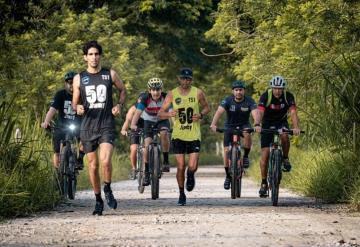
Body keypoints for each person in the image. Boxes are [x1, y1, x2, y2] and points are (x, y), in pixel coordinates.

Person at [72, 40, 126, 215]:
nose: (94, 57)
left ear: (100, 56)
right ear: (85, 57)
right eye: (90, 54)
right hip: (88, 127)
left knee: (105, 161)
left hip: (106, 124)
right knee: (93, 166)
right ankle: (98, 200)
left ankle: (108, 188)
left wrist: (119, 105)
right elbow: (75, 102)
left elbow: (122, 90)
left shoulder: (109, 74)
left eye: (96, 54)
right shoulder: (79, 78)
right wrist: (77, 107)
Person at [158, 68, 210, 206]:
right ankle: (181, 193)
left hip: (193, 134)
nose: (185, 81)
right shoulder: (172, 94)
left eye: (188, 79)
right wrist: (169, 114)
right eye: (183, 78)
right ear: (179, 79)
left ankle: (191, 175)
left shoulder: (198, 92)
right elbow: (160, 113)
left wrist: (201, 115)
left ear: (191, 80)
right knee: (181, 166)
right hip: (178, 134)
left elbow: (206, 107)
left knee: (192, 166)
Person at [254, 75, 301, 198]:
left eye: (280, 88)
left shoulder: (288, 96)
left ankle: (285, 158)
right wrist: (257, 124)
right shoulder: (266, 96)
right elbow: (260, 111)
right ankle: (264, 183)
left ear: (283, 88)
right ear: (272, 88)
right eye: (275, 88)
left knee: (285, 135)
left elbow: (293, 112)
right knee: (265, 155)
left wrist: (296, 127)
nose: (278, 91)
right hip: (267, 123)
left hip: (281, 122)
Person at [210, 80, 258, 190]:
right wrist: (213, 124)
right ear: (233, 91)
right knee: (226, 151)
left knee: (247, 134)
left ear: (244, 91)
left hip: (244, 125)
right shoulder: (227, 100)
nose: (238, 92)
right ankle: (227, 176)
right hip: (229, 126)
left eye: (240, 90)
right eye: (236, 90)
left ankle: (245, 156)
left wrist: (257, 124)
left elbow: (255, 113)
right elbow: (219, 112)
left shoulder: (249, 101)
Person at [130, 78, 171, 186]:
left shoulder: (166, 97)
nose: (156, 92)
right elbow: (138, 112)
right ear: (149, 90)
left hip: (162, 120)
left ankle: (166, 160)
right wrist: (133, 124)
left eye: (158, 89)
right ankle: (147, 172)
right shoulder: (145, 98)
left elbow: (172, 112)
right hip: (148, 121)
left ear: (161, 89)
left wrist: (176, 125)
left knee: (164, 134)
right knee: (147, 145)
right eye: (153, 90)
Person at [41, 71, 84, 169]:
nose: (71, 85)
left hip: (78, 125)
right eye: (69, 82)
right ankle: (58, 173)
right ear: (66, 83)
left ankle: (80, 159)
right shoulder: (60, 94)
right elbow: (52, 109)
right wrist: (46, 121)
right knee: (56, 151)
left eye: (74, 82)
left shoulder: (82, 95)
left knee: (86, 138)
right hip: (61, 126)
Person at [120, 103, 145, 180]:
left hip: (146, 127)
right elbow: (127, 121)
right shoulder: (132, 109)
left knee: (146, 149)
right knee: (134, 149)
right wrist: (124, 130)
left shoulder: (149, 108)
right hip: (135, 128)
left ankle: (145, 170)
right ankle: (134, 168)